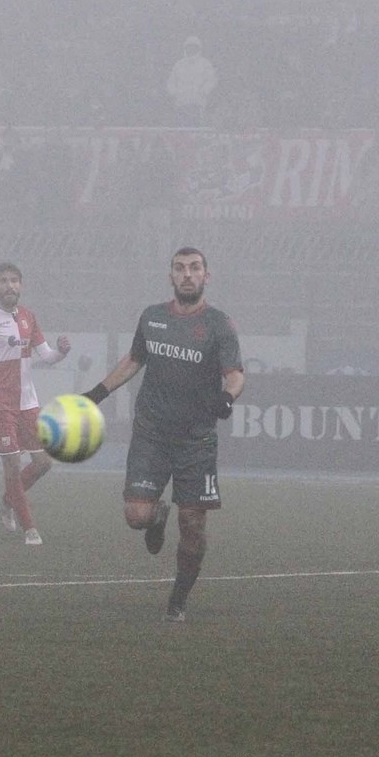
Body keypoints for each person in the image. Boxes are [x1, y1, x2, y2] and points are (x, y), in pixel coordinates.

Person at [82, 247, 244, 622]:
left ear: (207, 276)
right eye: (180, 268)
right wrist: (98, 392)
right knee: (135, 516)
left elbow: (236, 374)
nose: (187, 274)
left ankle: (178, 601)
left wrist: (226, 396)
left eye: (195, 268)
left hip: (196, 440)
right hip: (152, 433)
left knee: (193, 524)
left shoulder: (220, 325)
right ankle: (156, 517)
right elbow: (135, 360)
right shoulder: (152, 317)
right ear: (171, 276)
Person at [0, 263, 71, 547]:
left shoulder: (28, 317)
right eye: (3, 281)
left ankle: (4, 500)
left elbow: (46, 355)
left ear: (21, 285)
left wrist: (61, 352)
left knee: (43, 462)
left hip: (27, 403)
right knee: (12, 464)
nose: (10, 286)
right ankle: (30, 528)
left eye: (14, 281)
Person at [165, 35, 218, 127]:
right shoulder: (179, 64)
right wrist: (175, 93)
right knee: (182, 127)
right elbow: (171, 82)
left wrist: (204, 92)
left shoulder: (205, 64)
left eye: (194, 47)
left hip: (198, 103)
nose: (191, 49)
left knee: (197, 127)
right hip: (181, 103)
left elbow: (211, 80)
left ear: (198, 48)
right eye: (189, 47)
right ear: (185, 48)